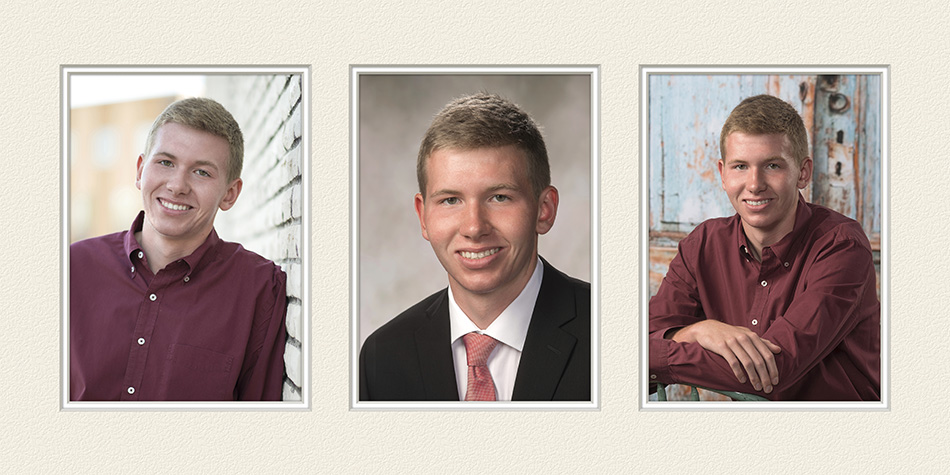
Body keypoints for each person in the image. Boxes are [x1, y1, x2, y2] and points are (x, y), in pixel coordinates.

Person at [359, 93, 590, 401]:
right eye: (450, 200)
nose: (474, 227)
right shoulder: (382, 358)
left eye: (499, 197)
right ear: (423, 216)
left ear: (544, 209)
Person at [649, 94, 880, 401]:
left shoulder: (842, 246)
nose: (755, 184)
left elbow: (774, 368)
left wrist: (665, 351)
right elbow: (639, 340)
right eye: (740, 166)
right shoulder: (702, 244)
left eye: (772, 165)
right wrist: (697, 331)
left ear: (803, 172)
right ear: (722, 173)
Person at [70, 97, 287, 401]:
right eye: (166, 162)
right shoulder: (71, 270)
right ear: (140, 170)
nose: (177, 185)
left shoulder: (260, 290)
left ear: (230, 194)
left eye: (202, 172)